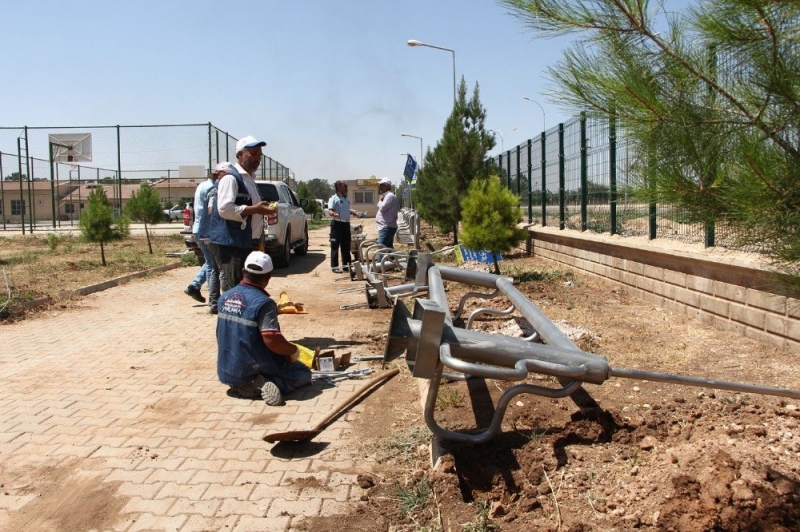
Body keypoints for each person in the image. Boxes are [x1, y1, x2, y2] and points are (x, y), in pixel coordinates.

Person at [216, 251, 312, 406]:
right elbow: (272, 339)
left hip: (226, 369)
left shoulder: (224, 297)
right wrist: (293, 351)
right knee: (303, 374)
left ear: (243, 271)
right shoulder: (264, 304)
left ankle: (242, 384)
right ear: (268, 278)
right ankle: (269, 382)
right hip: (252, 365)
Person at [208, 135, 277, 295]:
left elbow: (251, 208)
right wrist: (256, 209)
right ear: (240, 155)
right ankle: (232, 319)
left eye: (259, 155)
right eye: (253, 154)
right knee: (235, 290)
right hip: (233, 245)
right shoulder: (231, 178)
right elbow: (224, 209)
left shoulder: (249, 179)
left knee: (246, 290)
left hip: (247, 243)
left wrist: (262, 210)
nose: (257, 159)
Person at [184, 162, 232, 312]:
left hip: (199, 230)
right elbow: (212, 209)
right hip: (210, 232)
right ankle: (218, 302)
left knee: (211, 264)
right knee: (219, 267)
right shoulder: (213, 189)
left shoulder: (202, 185)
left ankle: (198, 287)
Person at [327, 180, 360, 273]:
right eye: (344, 185)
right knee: (335, 246)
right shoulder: (334, 198)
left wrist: (354, 213)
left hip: (346, 224)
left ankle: (347, 266)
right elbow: (330, 210)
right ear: (339, 187)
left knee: (346, 246)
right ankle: (334, 267)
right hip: (337, 225)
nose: (346, 187)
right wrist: (333, 213)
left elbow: (347, 209)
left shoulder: (346, 198)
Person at [375, 177, 399, 250]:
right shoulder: (386, 196)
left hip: (386, 227)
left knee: (381, 250)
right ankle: (392, 260)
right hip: (386, 226)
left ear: (387, 186)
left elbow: (382, 208)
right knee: (388, 250)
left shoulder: (389, 196)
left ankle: (380, 262)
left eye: (382, 185)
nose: (380, 187)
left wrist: (380, 201)